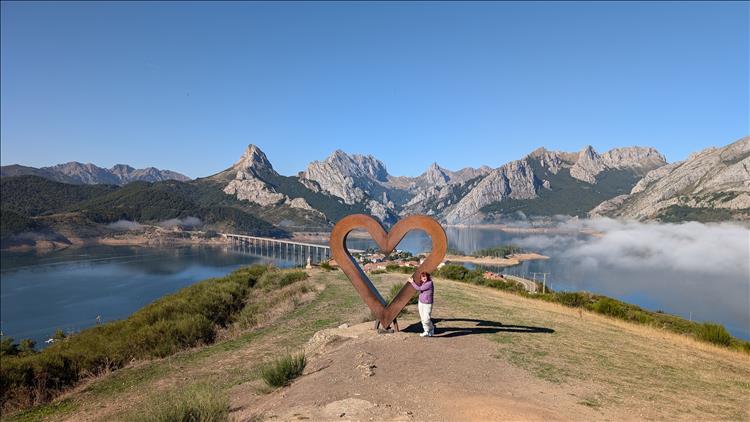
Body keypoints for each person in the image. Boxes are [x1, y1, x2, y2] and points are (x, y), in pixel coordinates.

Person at [408, 272, 434, 337]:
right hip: (421, 302)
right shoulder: (423, 283)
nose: (424, 278)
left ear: (427, 277)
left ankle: (431, 329)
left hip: (427, 304)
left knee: (426, 319)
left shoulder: (429, 283)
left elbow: (419, 288)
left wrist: (412, 282)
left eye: (425, 276)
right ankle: (427, 331)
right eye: (422, 277)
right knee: (423, 318)